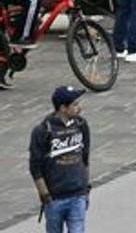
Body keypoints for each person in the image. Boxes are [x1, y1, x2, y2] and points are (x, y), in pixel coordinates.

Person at [28, 86, 88, 233]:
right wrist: (45, 195)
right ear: (63, 108)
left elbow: (85, 157)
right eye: (75, 104)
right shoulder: (43, 131)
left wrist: (85, 188)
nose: (79, 108)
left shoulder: (81, 125)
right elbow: (35, 166)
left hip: (77, 195)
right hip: (55, 198)